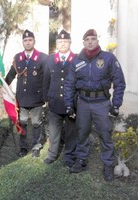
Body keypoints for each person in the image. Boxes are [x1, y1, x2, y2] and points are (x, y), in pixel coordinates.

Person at [64, 29, 126, 181]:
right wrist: (69, 105)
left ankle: (108, 165)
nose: (90, 41)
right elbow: (69, 84)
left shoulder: (109, 58)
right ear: (83, 42)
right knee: (82, 133)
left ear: (97, 41)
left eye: (93, 39)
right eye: (87, 39)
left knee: (105, 134)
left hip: (102, 104)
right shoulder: (77, 61)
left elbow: (119, 82)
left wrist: (116, 104)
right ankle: (81, 160)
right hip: (83, 103)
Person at [5, 29, 47, 157]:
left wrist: (46, 95)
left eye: (30, 40)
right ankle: (23, 147)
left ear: (34, 41)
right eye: (25, 40)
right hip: (22, 98)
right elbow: (12, 73)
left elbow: (46, 77)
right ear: (22, 42)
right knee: (22, 123)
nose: (28, 43)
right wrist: (4, 83)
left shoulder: (42, 57)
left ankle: (36, 146)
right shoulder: (18, 58)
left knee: (36, 123)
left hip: (36, 97)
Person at [43, 30, 78, 168]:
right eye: (60, 42)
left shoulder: (76, 58)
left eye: (65, 41)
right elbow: (46, 80)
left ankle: (69, 156)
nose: (62, 44)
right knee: (54, 131)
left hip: (72, 103)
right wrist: (45, 98)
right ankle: (52, 155)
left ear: (70, 42)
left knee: (71, 131)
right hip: (55, 101)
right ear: (56, 44)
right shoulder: (50, 59)